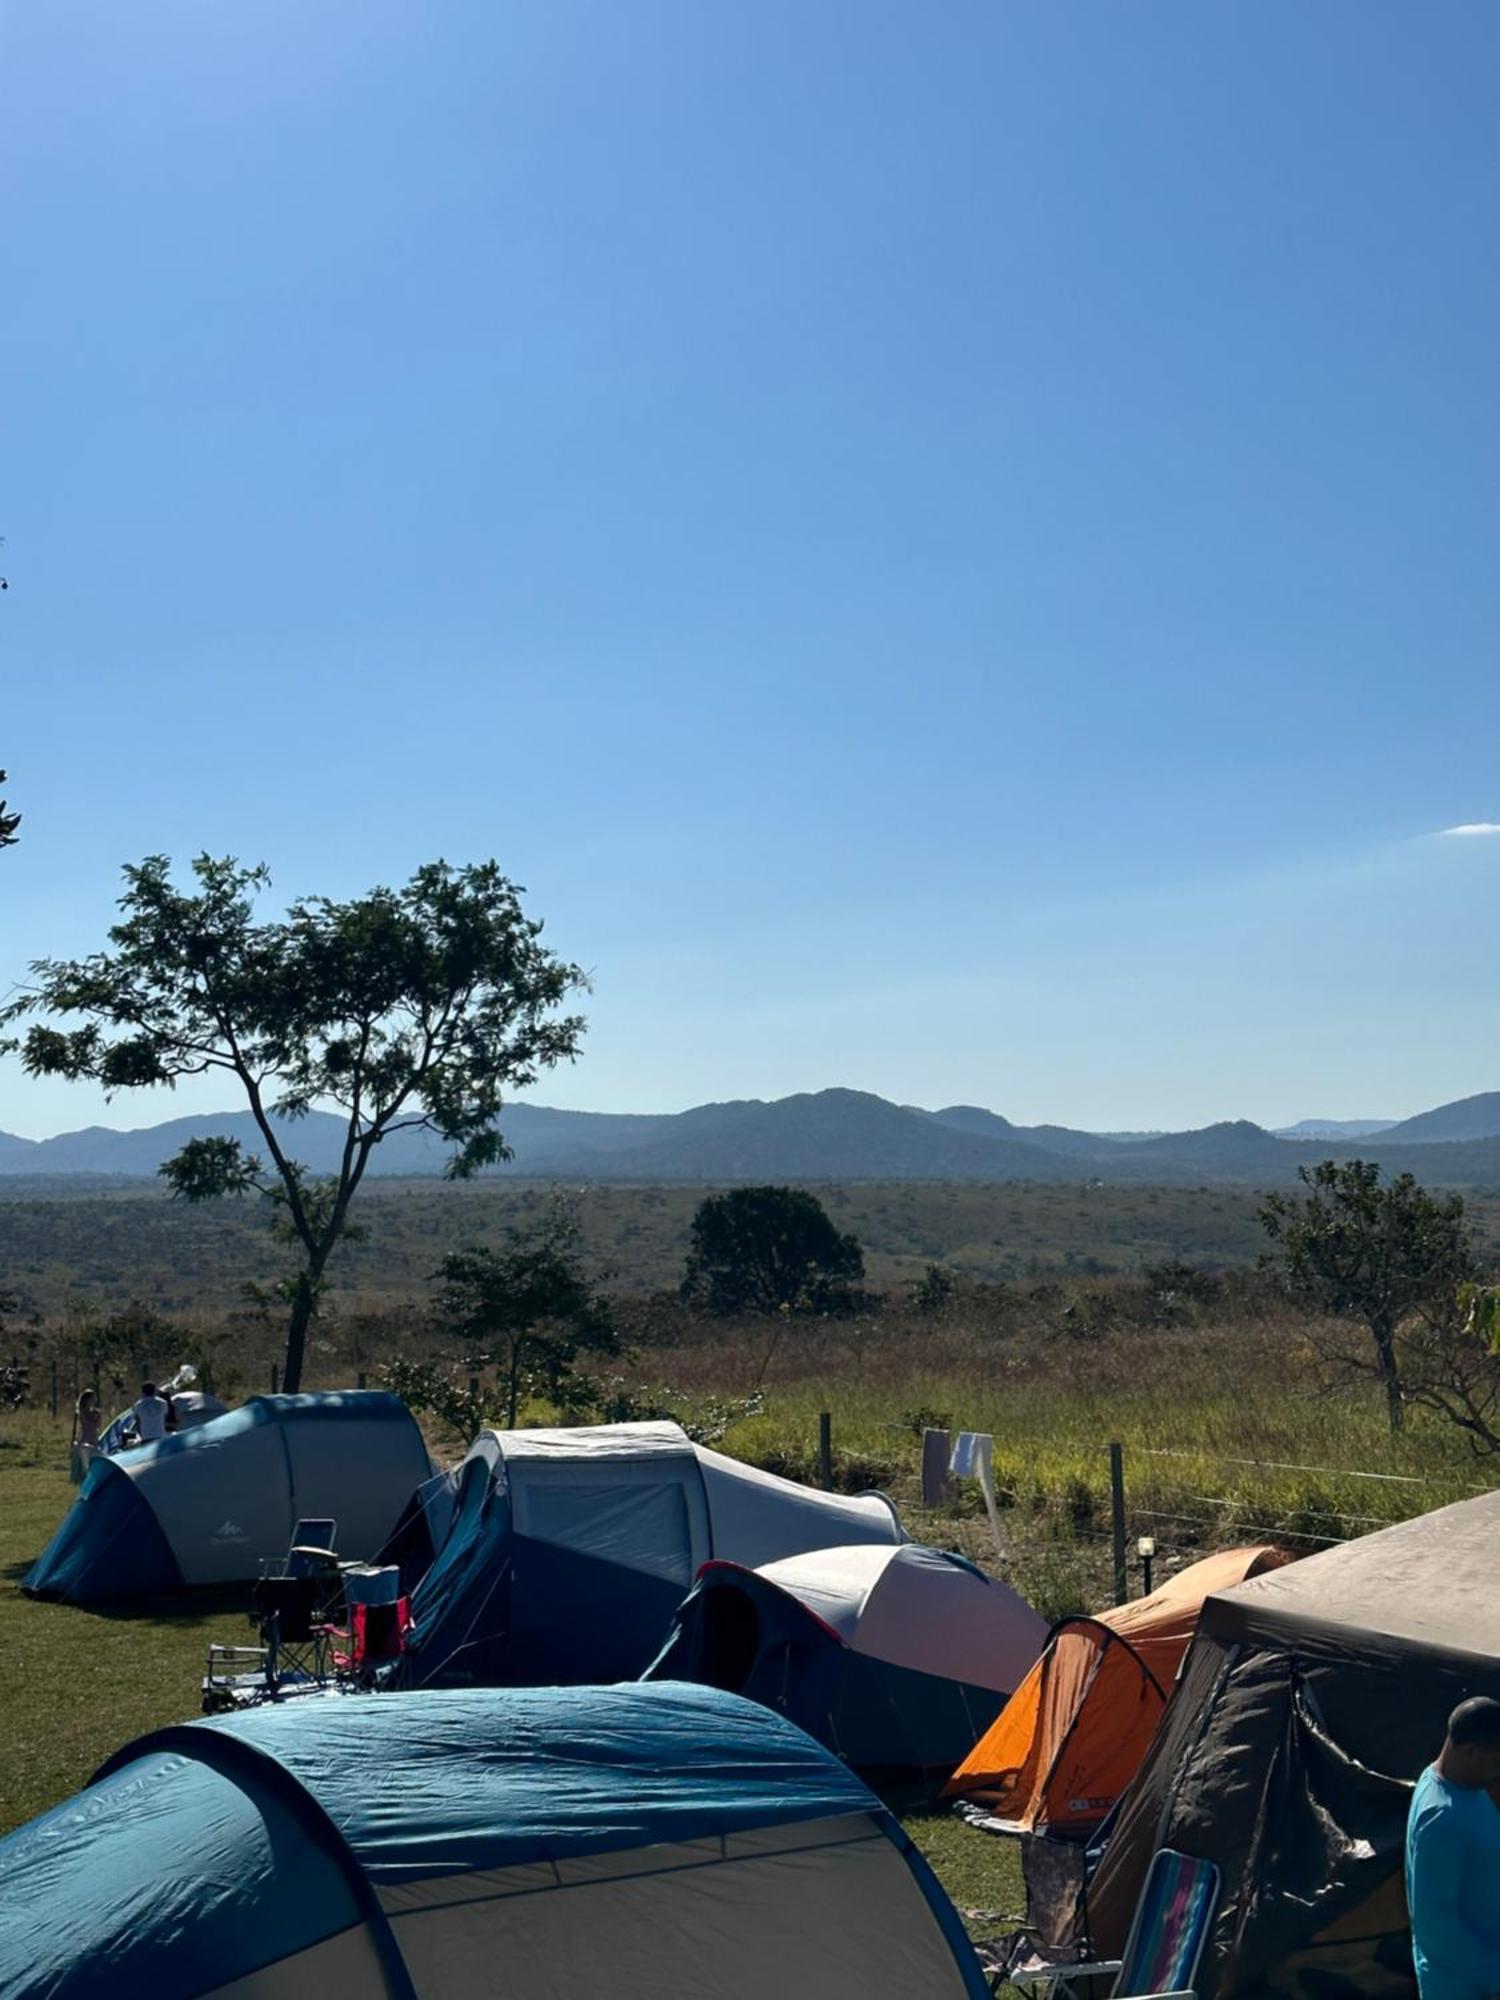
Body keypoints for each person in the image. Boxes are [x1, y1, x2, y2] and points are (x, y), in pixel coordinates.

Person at [1406, 1696, 1500, 2000]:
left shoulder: (1462, 1785)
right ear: (1471, 1752)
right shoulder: (1441, 1818)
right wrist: (1493, 1975)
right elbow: (1434, 1925)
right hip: (1462, 1985)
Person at [70, 1388, 101, 1484]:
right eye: (92, 1399)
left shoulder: (94, 1412)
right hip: (85, 1439)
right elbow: (87, 1425)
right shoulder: (82, 1412)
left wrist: (98, 1417)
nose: (94, 1401)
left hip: (93, 1438)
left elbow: (98, 1426)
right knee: (86, 1465)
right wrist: (94, 1419)